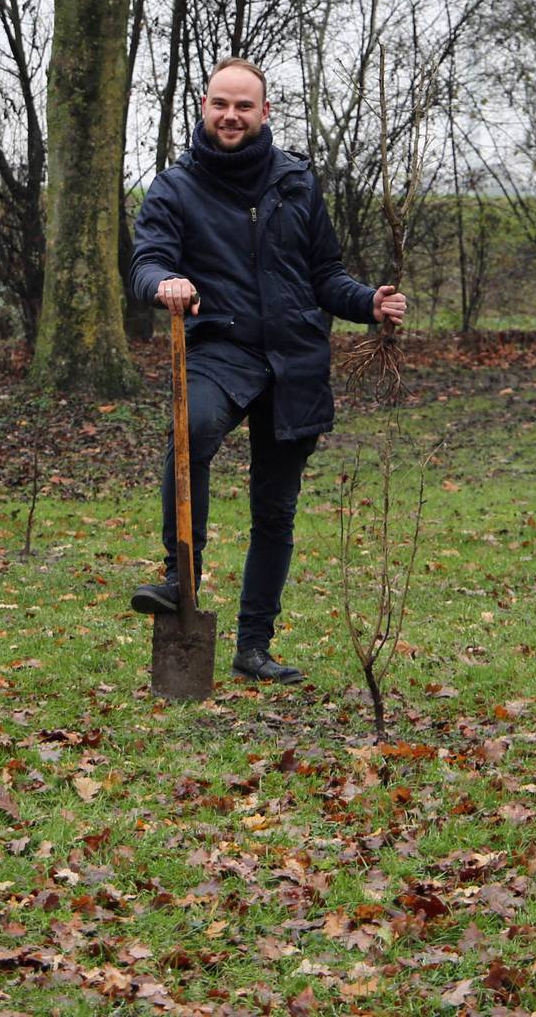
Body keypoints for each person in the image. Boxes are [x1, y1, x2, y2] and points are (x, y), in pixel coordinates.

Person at [128, 57, 408, 684]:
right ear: (203, 107)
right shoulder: (175, 188)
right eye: (220, 104)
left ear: (264, 112)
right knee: (190, 431)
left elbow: (324, 274)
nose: (231, 115)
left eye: (243, 106)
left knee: (275, 511)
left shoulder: (296, 183)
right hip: (219, 349)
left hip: (294, 359)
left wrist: (367, 301)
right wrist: (164, 283)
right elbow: (146, 260)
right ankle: (180, 576)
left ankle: (254, 646)